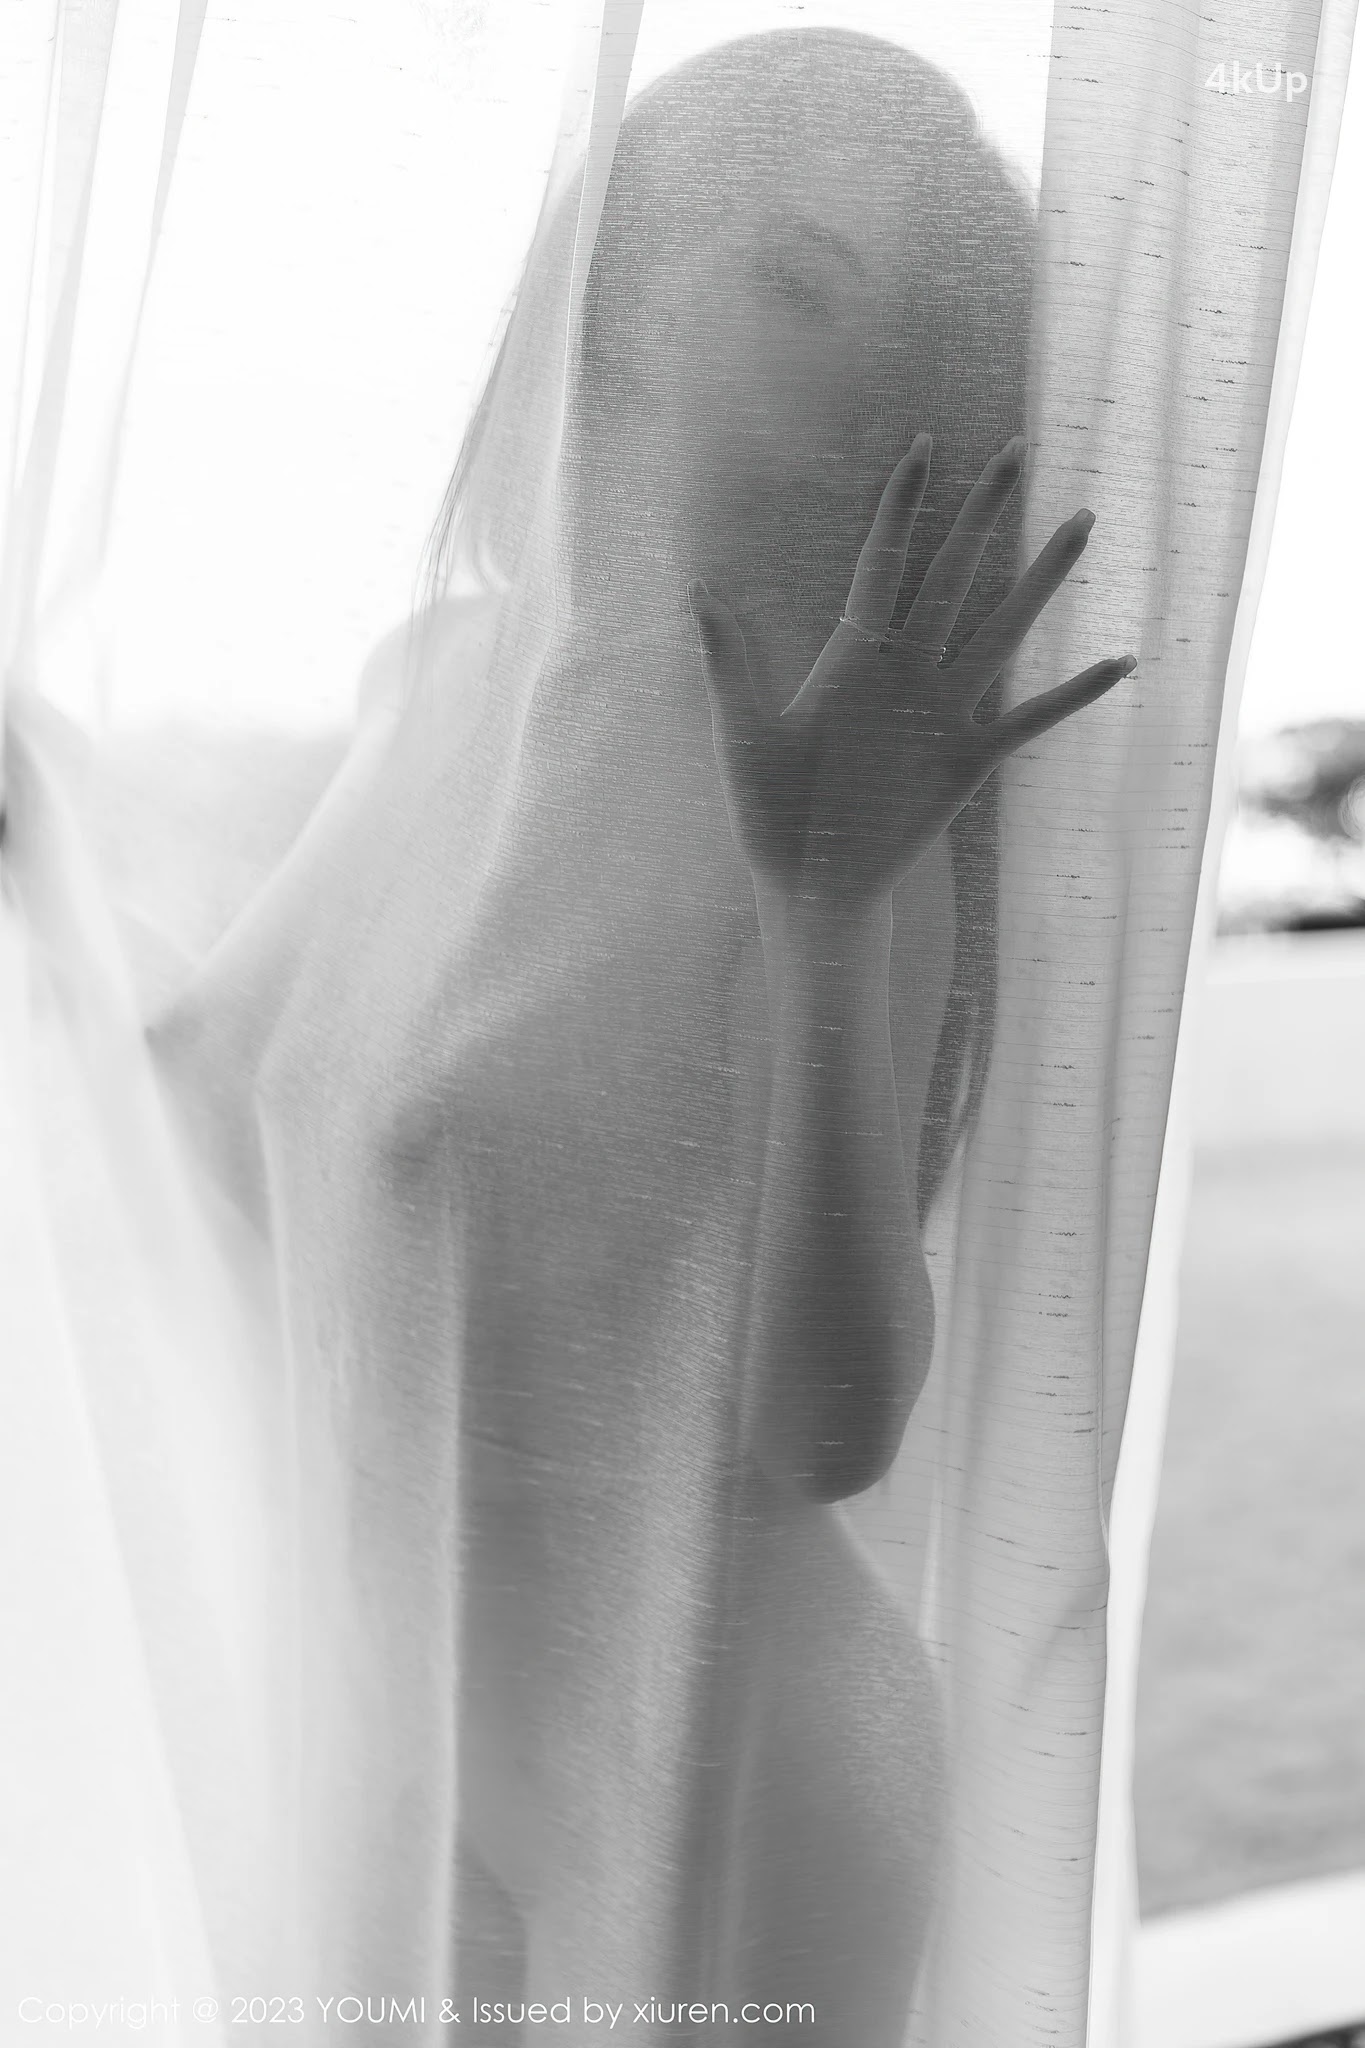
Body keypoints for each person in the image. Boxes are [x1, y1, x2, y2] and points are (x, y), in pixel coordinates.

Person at [150, 28, 1133, 2045]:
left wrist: (826, 904)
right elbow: (199, 1095)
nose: (841, 364)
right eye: (768, 262)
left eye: (852, 302)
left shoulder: (843, 779)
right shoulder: (447, 682)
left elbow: (826, 1433)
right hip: (416, 1736)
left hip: (730, 1771)